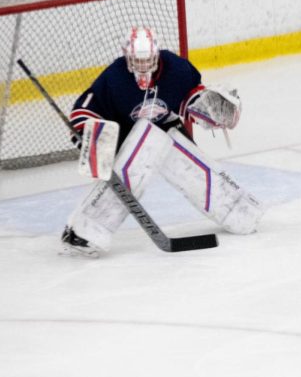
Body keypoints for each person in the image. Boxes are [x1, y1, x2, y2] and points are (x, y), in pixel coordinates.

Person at [60, 26, 264, 256]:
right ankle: (84, 231)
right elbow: (85, 110)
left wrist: (212, 108)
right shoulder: (114, 77)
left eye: (148, 60)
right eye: (137, 60)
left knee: (191, 167)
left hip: (167, 131)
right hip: (128, 142)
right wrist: (87, 135)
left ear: (157, 53)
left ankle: (240, 212)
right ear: (126, 55)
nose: (143, 66)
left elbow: (190, 99)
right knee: (140, 154)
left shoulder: (176, 69)